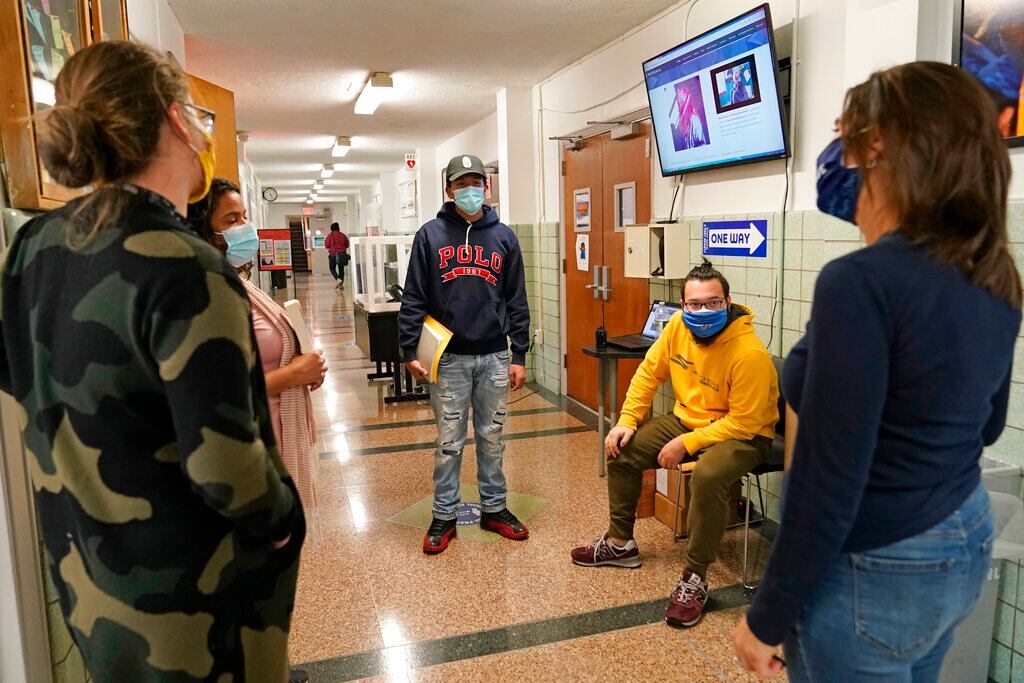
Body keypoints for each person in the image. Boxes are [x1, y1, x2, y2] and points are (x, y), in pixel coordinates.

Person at [0, 41, 304, 680]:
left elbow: (20, 377)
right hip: (195, 605)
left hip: (91, 581)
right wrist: (284, 520)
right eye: (197, 116)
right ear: (175, 120)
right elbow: (226, 468)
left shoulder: (33, 246)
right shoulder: (184, 265)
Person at [732, 62, 1022, 680]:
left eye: (851, 137)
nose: (841, 155)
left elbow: (827, 477)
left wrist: (768, 613)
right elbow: (988, 426)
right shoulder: (994, 271)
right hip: (961, 535)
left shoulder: (859, 284)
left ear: (887, 148)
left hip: (875, 564)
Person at [571, 260, 778, 628]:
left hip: (744, 435)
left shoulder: (750, 354)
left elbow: (745, 422)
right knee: (623, 450)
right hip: (689, 420)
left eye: (712, 303)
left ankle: (695, 577)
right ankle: (620, 544)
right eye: (694, 304)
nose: (702, 311)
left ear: (728, 303)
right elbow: (649, 373)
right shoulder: (676, 330)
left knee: (709, 475)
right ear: (683, 306)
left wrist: (688, 442)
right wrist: (626, 420)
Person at [398, 153, 531, 554]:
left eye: (475, 182)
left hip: (494, 357)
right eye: (460, 184)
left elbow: (516, 299)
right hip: (448, 360)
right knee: (449, 441)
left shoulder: (504, 236)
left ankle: (494, 508)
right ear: (448, 189)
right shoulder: (430, 235)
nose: (469, 190)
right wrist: (409, 348)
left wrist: (520, 354)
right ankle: (444, 515)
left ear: (486, 188)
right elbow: (415, 297)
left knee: (492, 439)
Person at [188, 178, 326, 533]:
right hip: (244, 452)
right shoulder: (205, 290)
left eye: (244, 216)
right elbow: (214, 391)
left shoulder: (236, 282)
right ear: (203, 230)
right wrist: (294, 374)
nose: (244, 228)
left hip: (272, 438)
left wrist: (305, 370)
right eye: (230, 220)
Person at [325, 221, 350, 289]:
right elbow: (347, 245)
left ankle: (338, 280)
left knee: (332, 268)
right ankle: (341, 284)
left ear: (331, 228)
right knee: (341, 269)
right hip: (341, 254)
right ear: (338, 228)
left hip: (333, 254)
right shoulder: (343, 235)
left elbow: (327, 245)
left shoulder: (330, 235)